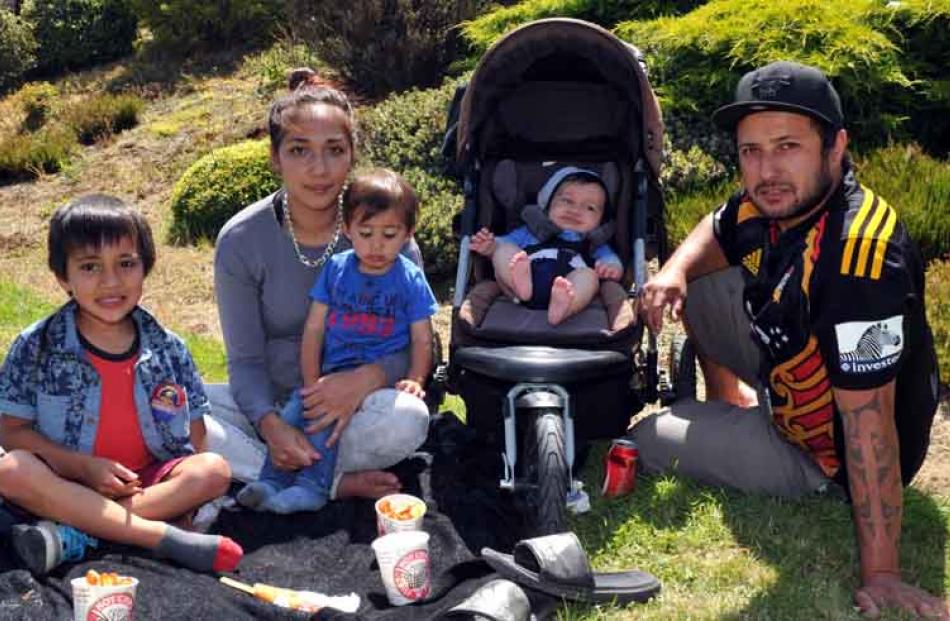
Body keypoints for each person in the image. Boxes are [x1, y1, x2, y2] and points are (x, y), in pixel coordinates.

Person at [634, 60, 947, 619]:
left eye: (787, 147)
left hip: (825, 456)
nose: (766, 169)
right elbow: (719, 225)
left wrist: (882, 574)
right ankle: (730, 401)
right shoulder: (778, 203)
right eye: (751, 151)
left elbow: (869, 424)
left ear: (836, 147)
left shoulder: (860, 259)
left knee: (649, 437)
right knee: (704, 282)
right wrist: (675, 270)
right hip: (793, 369)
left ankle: (747, 431)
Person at [209, 68, 430, 503]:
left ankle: (282, 474)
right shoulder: (241, 240)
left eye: (334, 150)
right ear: (275, 157)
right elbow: (246, 361)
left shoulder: (387, 238)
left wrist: (366, 379)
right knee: (178, 407)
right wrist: (272, 425)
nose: (319, 169)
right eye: (299, 150)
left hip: (358, 409)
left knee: (408, 417)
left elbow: (418, 346)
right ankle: (331, 482)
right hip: (270, 405)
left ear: (352, 155)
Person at [0, 195, 243, 575]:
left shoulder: (170, 348)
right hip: (62, 484)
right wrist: (82, 468)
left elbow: (195, 436)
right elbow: (10, 431)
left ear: (146, 267)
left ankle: (74, 534)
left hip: (143, 487)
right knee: (11, 471)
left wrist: (183, 498)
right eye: (90, 267)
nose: (110, 282)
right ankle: (154, 535)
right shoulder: (37, 345)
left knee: (213, 471)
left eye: (126, 264)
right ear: (63, 276)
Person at [237, 168, 437, 514]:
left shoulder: (410, 278)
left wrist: (416, 379)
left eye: (389, 234)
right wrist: (312, 383)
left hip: (378, 388)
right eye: (365, 233)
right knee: (292, 415)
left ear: (408, 234)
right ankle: (270, 481)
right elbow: (314, 330)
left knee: (336, 424)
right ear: (347, 230)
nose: (376, 245)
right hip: (330, 374)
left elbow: (422, 338)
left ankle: (312, 489)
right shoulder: (337, 269)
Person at [469, 167, 623, 325]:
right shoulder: (529, 231)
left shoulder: (594, 243)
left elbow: (610, 259)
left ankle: (565, 306)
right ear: (547, 204)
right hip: (521, 276)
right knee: (504, 251)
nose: (575, 210)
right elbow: (504, 242)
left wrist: (611, 268)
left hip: (570, 282)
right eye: (567, 201)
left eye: (590, 207)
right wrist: (491, 247)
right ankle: (520, 285)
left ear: (600, 220)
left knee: (589, 277)